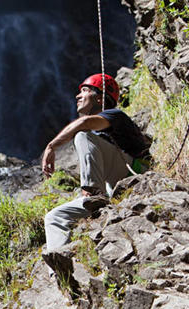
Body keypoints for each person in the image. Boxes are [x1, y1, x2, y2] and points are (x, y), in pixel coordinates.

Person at [41, 73, 149, 261]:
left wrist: (51, 146)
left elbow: (84, 123)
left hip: (135, 174)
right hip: (111, 188)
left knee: (82, 135)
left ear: (100, 97)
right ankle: (58, 267)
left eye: (84, 90)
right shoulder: (99, 137)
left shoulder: (115, 115)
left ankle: (92, 193)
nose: (77, 96)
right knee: (53, 217)